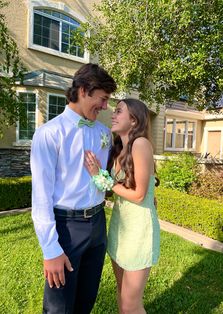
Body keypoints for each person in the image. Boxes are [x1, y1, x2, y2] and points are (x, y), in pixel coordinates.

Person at [30, 63, 117, 314]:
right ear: (83, 90)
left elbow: (108, 177)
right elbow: (41, 197)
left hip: (98, 225)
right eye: (102, 99)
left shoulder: (104, 134)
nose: (104, 107)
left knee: (86, 300)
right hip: (66, 228)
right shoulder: (49, 134)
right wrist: (51, 249)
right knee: (60, 307)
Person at [85, 98, 160, 314]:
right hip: (120, 226)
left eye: (119, 111)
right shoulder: (118, 149)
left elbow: (138, 195)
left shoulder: (141, 144)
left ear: (134, 120)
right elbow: (116, 188)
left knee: (130, 303)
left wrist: (102, 177)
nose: (113, 115)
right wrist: (101, 176)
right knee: (121, 292)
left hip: (139, 230)